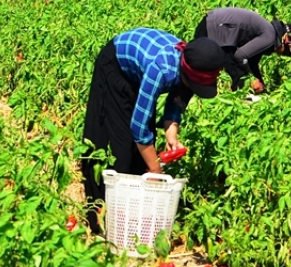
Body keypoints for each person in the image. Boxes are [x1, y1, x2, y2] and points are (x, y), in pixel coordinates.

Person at [80, 29, 226, 231]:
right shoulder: (161, 69)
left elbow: (178, 99)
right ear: (186, 72)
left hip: (139, 72)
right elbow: (139, 128)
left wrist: (171, 132)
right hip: (115, 66)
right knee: (119, 150)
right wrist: (156, 170)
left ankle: (135, 217)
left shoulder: (191, 64)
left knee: (141, 156)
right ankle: (100, 215)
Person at [194, 7, 291, 93]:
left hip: (216, 27)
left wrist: (260, 83)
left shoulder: (269, 33)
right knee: (238, 75)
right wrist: (252, 79)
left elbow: (252, 61)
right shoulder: (269, 36)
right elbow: (240, 56)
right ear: (288, 39)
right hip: (213, 28)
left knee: (238, 71)